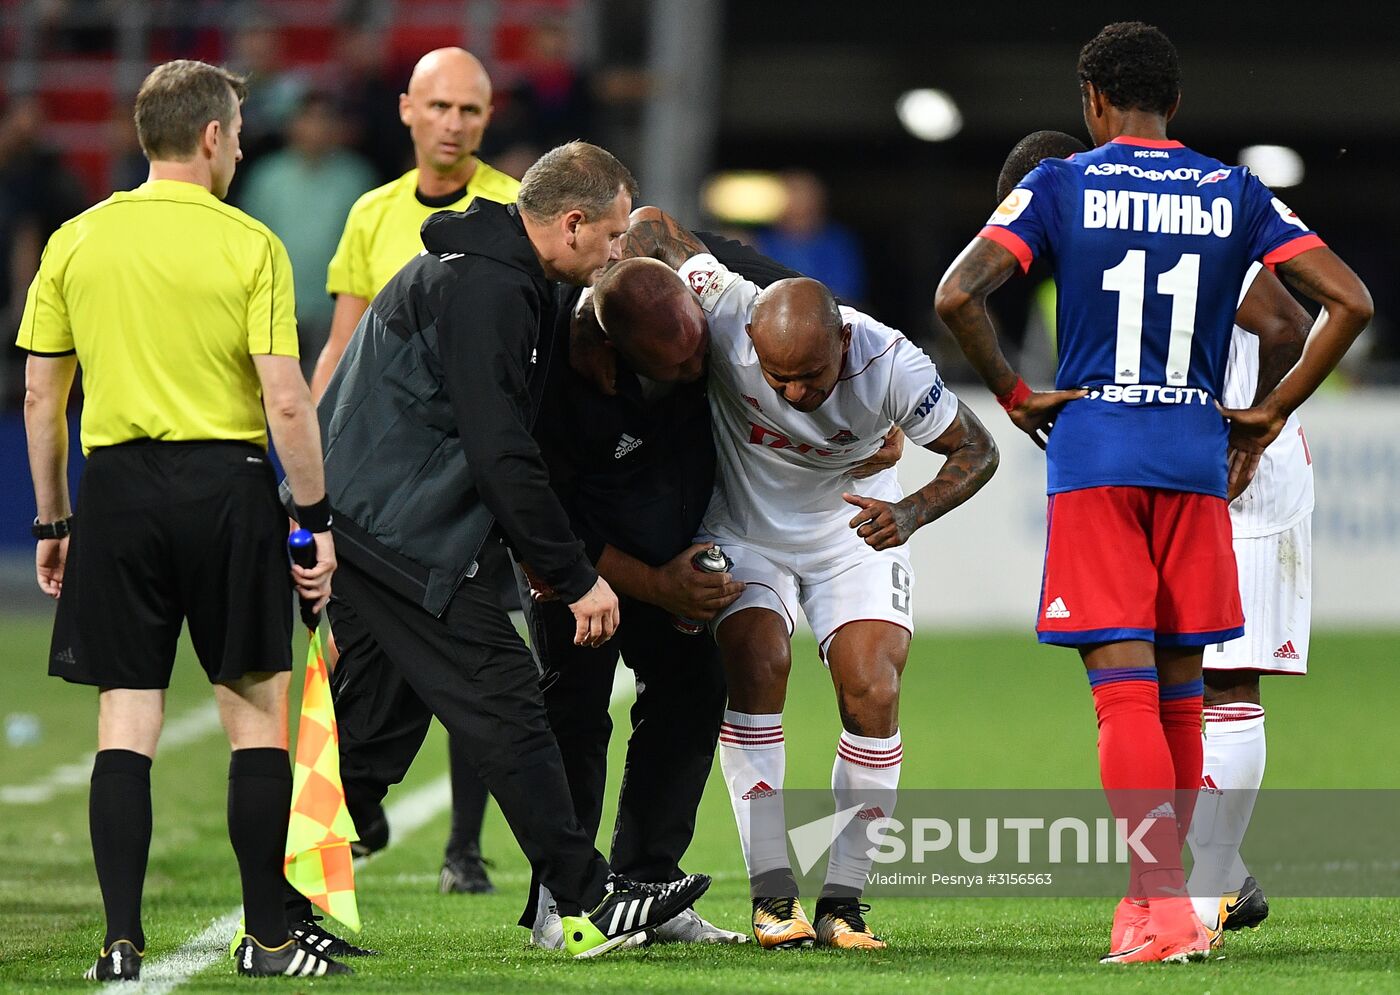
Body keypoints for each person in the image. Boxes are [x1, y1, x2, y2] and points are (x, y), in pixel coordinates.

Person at [935, 22, 1372, 964]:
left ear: (1092, 101)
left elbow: (956, 294)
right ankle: (1158, 911)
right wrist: (1262, 415)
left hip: (1100, 454)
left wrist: (1013, 394)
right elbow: (1350, 303)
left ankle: (1163, 907)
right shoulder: (1233, 189)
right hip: (1197, 457)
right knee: (1183, 692)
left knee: (1124, 693)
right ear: (1174, 104)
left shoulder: (1062, 181)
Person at [303, 141, 711, 959]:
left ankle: (277, 913)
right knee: (509, 701)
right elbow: (498, 452)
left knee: (374, 736)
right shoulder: (492, 288)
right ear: (570, 222)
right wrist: (574, 574)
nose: (615, 253)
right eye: (612, 235)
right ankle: (588, 897)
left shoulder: (495, 274)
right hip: (399, 529)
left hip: (378, 519)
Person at [588, 208, 999, 950]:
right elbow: (652, 226)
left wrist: (910, 510)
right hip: (744, 528)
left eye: (812, 376)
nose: (797, 394)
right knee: (756, 660)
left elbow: (979, 450)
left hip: (852, 529)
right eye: (778, 378)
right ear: (751, 343)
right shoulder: (726, 303)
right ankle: (773, 895)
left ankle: (845, 899)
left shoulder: (894, 365)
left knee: (873, 687)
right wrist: (612, 273)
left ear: (844, 340)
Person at [16, 60, 345, 980]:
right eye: (237, 133)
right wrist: (312, 517)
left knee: (126, 719)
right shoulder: (251, 244)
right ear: (210, 137)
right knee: (255, 717)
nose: (241, 147)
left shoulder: (76, 241)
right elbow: (286, 401)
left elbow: (44, 397)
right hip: (227, 485)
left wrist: (53, 521)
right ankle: (271, 939)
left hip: (116, 492)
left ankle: (120, 943)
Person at [521, 231, 902, 950]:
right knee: (574, 711)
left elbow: (804, 311)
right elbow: (543, 522)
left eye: (704, 347)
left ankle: (648, 884)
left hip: (680, 543)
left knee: (694, 690)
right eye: (683, 362)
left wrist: (855, 395)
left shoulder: (698, 303)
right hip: (579, 564)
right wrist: (647, 583)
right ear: (615, 358)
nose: (707, 366)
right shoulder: (553, 387)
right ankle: (562, 901)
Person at [992, 129, 1317, 944]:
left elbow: (1286, 319)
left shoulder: (1153, 216)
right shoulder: (1182, 206)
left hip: (1233, 461)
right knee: (1179, 688)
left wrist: (1257, 428)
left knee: (1222, 687)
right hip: (1193, 454)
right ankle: (1197, 883)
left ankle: (1199, 890)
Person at [310, 45, 521, 900]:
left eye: (469, 111)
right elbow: (342, 344)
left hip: (473, 481)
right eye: (439, 108)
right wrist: (308, 464)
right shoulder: (371, 213)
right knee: (363, 658)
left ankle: (464, 846)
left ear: (488, 116)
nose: (453, 125)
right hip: (381, 485)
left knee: (478, 657)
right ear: (406, 110)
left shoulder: (515, 206)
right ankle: (357, 807)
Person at [238, 92, 376, 378]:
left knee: (328, 397)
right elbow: (246, 243)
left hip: (335, 311)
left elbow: (368, 249)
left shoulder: (356, 178)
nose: (315, 127)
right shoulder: (267, 177)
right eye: (307, 119)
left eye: (324, 119)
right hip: (276, 308)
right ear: (292, 125)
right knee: (277, 395)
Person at [754, 171, 867, 305]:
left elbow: (846, 294)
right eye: (789, 192)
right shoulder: (759, 241)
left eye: (800, 192)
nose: (793, 199)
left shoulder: (837, 244)